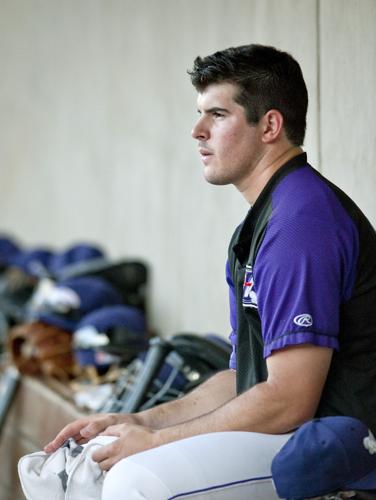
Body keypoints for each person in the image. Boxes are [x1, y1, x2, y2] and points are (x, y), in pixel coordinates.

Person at [43, 44, 376, 499]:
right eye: (200, 114)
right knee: (99, 457)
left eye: (217, 114)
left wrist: (156, 442)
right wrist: (141, 420)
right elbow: (242, 381)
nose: (197, 131)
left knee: (136, 479)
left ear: (270, 126)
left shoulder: (302, 222)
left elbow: (287, 401)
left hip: (343, 451)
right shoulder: (261, 222)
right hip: (301, 437)